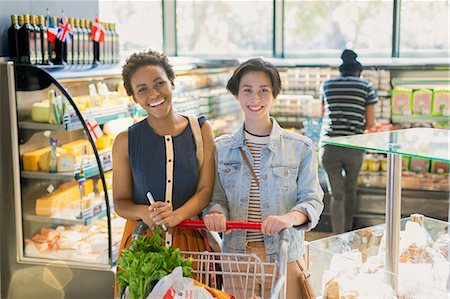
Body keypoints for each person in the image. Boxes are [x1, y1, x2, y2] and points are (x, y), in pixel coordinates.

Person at [203, 58, 324, 299]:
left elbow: (312, 200)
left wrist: (288, 218)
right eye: (247, 90)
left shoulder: (301, 147)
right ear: (237, 94)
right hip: (237, 257)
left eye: (263, 91)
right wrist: (216, 212)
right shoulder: (221, 148)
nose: (255, 99)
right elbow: (216, 197)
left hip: (283, 254)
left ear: (274, 95)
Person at [112, 49, 215, 276]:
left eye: (160, 83)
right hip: (141, 249)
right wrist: (144, 212)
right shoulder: (124, 142)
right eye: (142, 90)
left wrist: (176, 216)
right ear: (134, 97)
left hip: (190, 245)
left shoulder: (201, 130)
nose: (154, 94)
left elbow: (205, 190)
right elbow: (120, 202)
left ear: (172, 83)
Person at [319, 49, 378, 234]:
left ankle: (337, 238)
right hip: (355, 145)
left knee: (336, 195)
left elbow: (323, 115)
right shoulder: (365, 86)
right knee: (350, 190)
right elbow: (370, 123)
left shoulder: (327, 85)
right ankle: (348, 233)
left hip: (329, 146)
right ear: (358, 71)